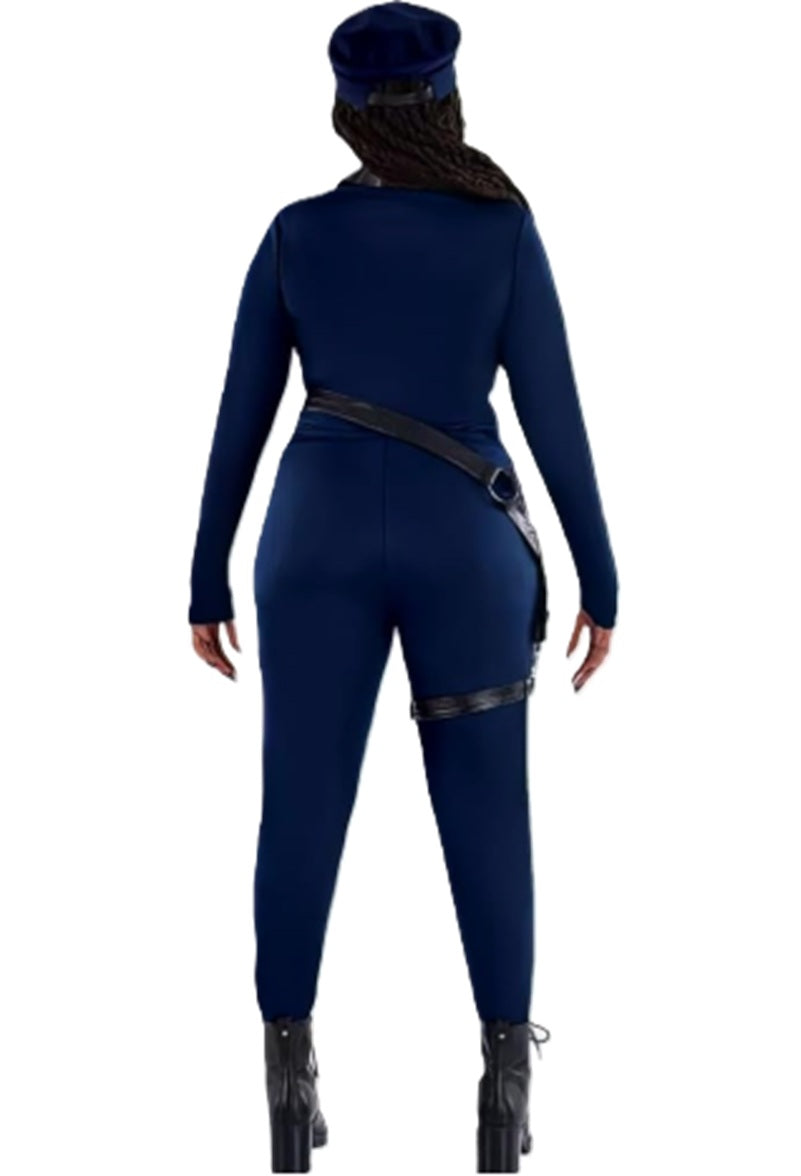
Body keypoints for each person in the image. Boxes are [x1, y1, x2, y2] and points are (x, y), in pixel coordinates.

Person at [187, 3, 618, 1170]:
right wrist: (602, 576)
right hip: (462, 544)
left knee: (300, 805)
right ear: (448, 101)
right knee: (488, 806)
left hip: (312, 541)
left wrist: (204, 575)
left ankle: (288, 1090)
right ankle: (503, 1095)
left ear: (345, 114)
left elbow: (240, 417)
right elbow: (555, 417)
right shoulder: (502, 229)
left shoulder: (295, 234)